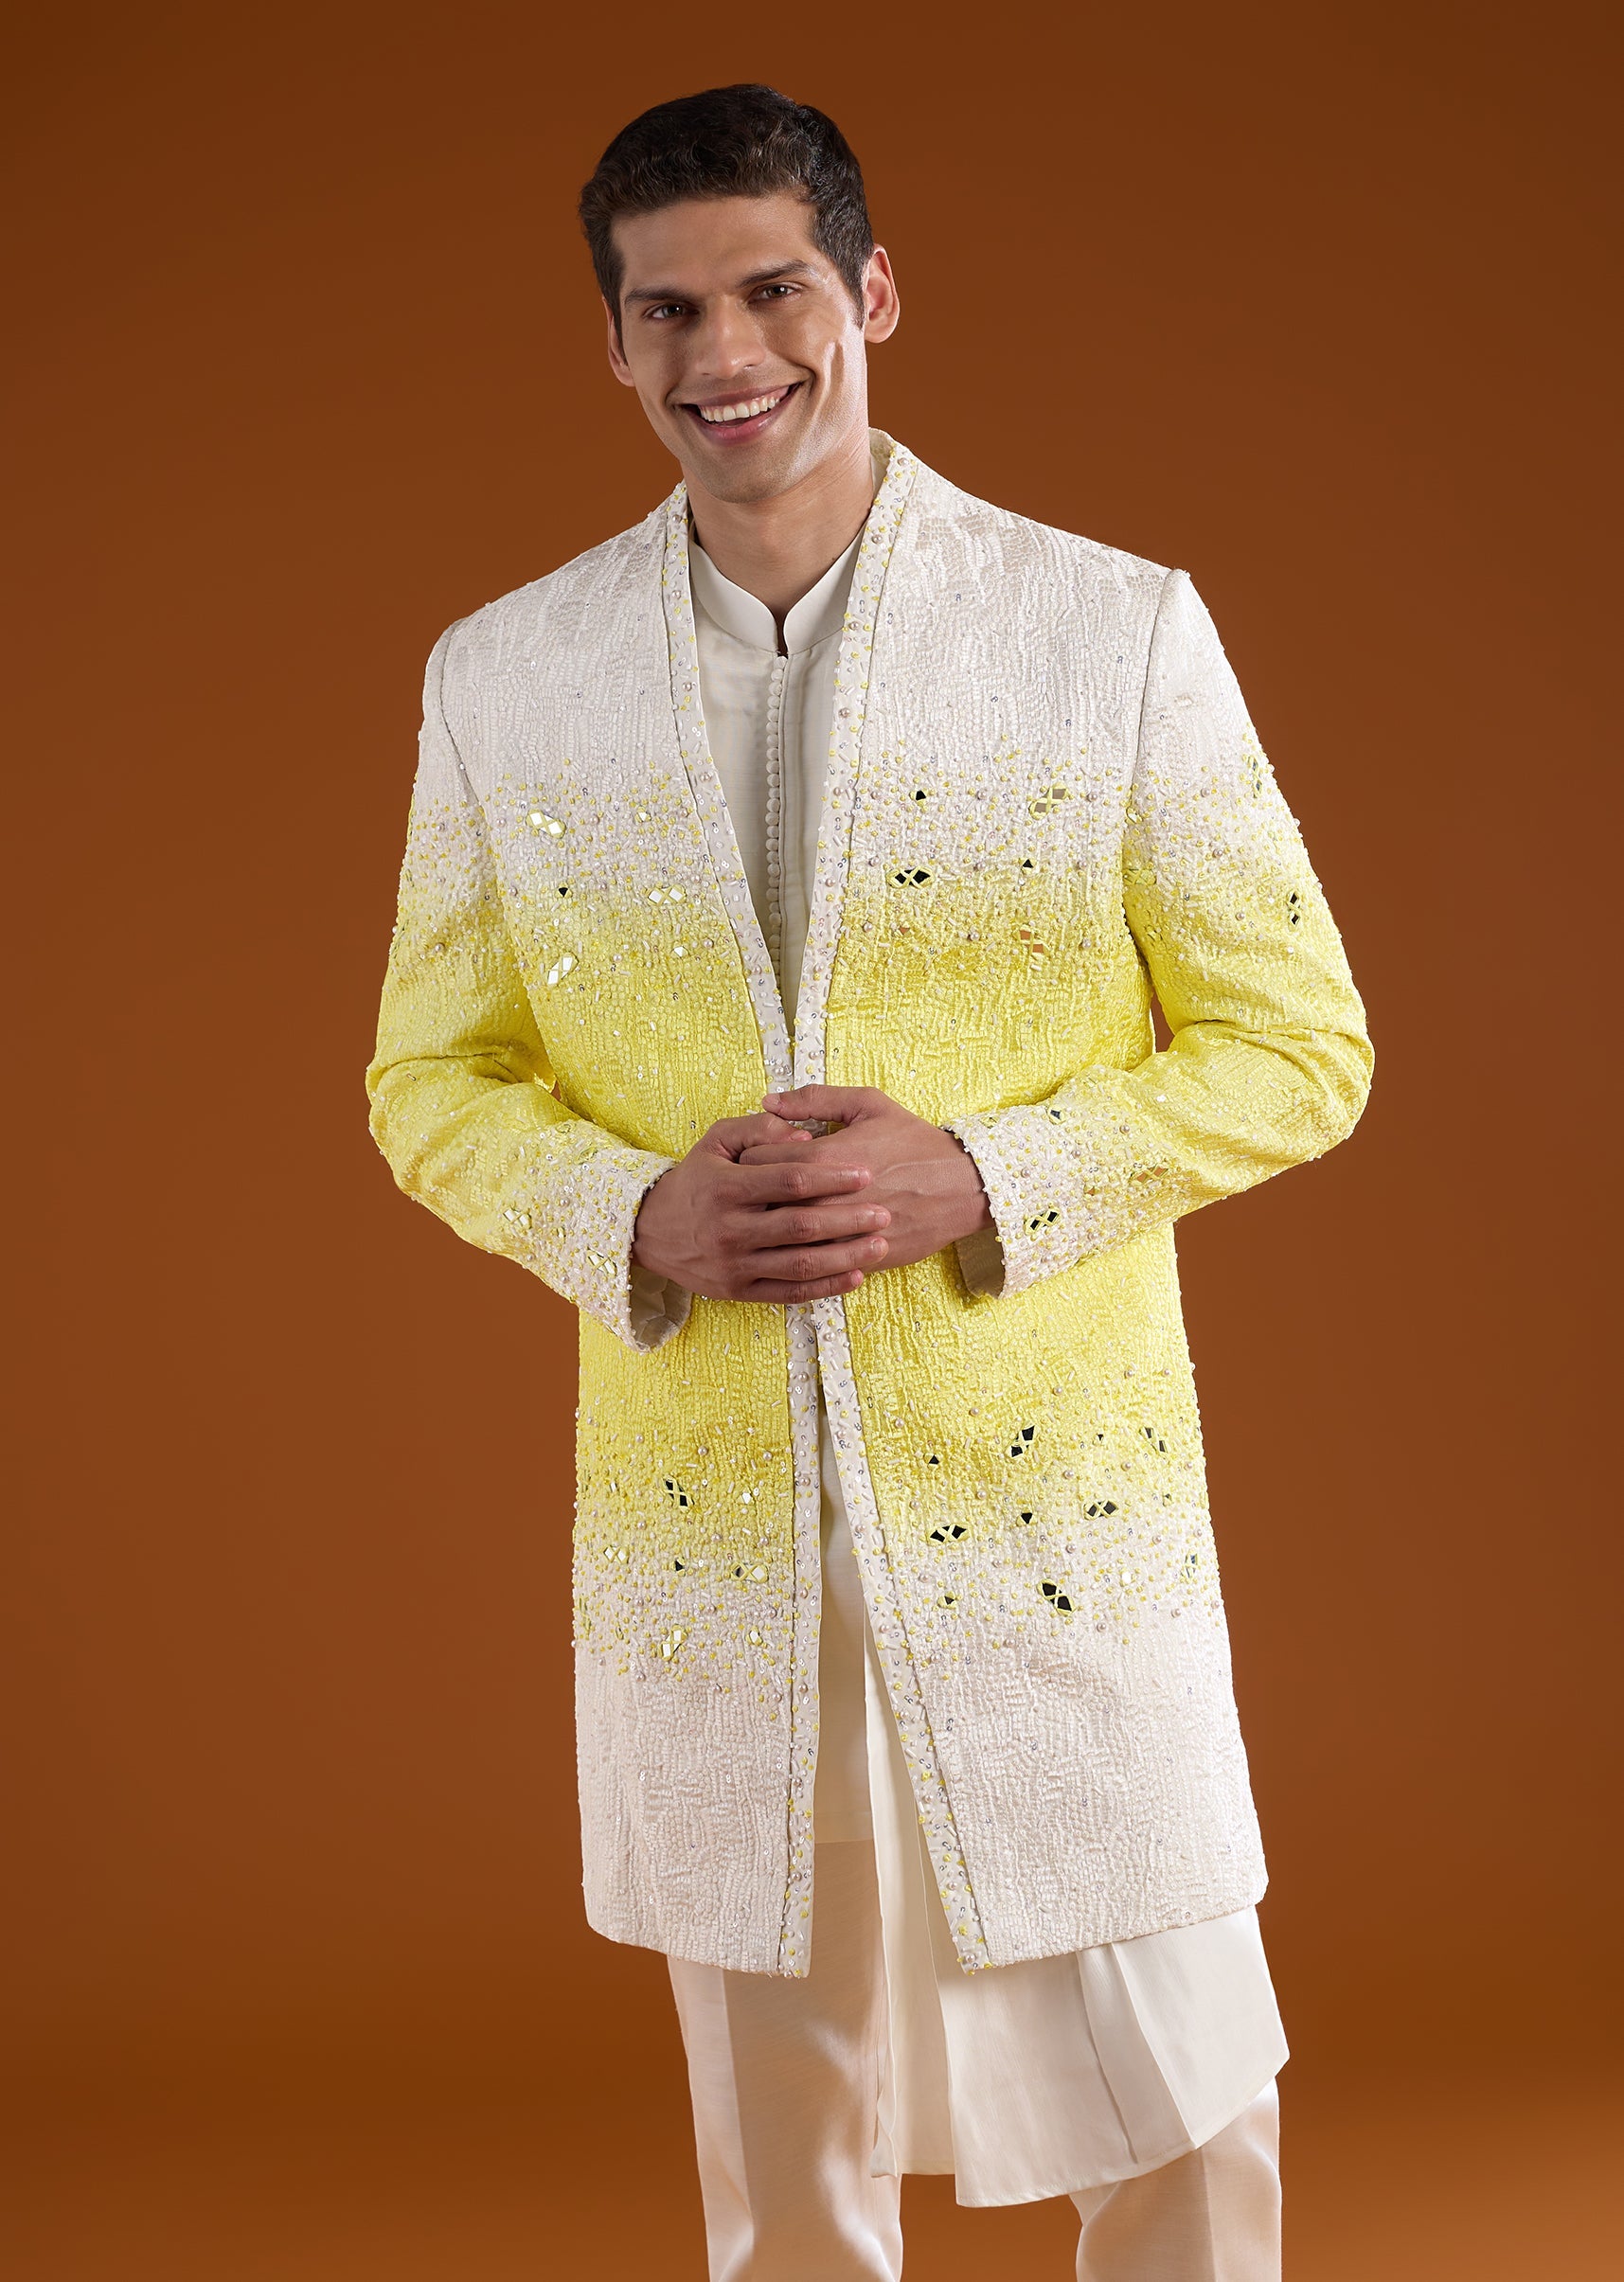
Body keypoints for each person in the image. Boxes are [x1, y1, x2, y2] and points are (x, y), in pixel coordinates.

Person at [366, 82, 1373, 2281]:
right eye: (668, 309)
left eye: (774, 289)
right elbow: (427, 1079)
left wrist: (990, 1172)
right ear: (613, 342)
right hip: (707, 1525)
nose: (726, 352)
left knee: (1188, 2088)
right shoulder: (507, 676)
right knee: (785, 2154)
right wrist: (626, 1212)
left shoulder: (1107, 628)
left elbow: (1305, 1043)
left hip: (1056, 1506)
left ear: (873, 293)